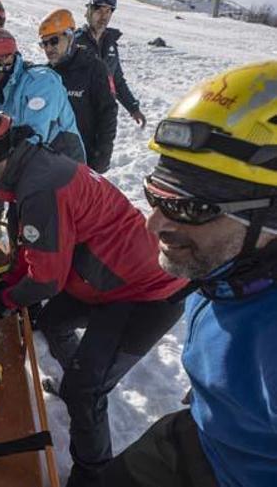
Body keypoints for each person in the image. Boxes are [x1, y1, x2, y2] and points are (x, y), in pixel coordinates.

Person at [0, 112, 187, 487]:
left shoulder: (39, 189)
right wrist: (8, 287)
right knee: (54, 321)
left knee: (87, 388)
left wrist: (4, 301)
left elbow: (46, 280)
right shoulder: (34, 168)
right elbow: (33, 253)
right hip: (101, 276)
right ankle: (76, 377)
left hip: (145, 291)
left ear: (0, 160)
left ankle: (92, 474)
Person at [101, 62, 277, 487]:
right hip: (205, 435)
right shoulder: (224, 267)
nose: (154, 224)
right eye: (155, 196)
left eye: (190, 207)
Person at [0, 27, 86, 162]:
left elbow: (34, 139)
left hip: (66, 167)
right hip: (35, 169)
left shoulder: (41, 83)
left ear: (6, 61)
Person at [39, 8, 117, 173]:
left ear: (69, 36)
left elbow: (108, 111)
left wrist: (103, 153)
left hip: (85, 159)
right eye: (44, 43)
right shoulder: (46, 75)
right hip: (52, 160)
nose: (48, 48)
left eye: (53, 41)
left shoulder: (94, 68)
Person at [74, 0, 147, 129]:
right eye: (99, 10)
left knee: (103, 151)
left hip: (103, 116)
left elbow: (116, 80)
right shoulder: (75, 42)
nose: (104, 16)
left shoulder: (111, 44)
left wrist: (133, 108)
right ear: (89, 11)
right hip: (78, 116)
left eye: (108, 11)